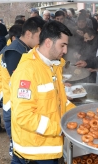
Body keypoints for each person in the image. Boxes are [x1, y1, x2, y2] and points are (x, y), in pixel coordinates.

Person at [10, 21, 75, 163]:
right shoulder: (27, 72)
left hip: (48, 150)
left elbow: (60, 101)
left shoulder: (53, 67)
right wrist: (59, 127)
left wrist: (78, 114)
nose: (65, 51)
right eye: (62, 45)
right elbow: (24, 116)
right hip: (34, 154)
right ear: (48, 43)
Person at [0, 17, 45, 157]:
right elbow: (21, 82)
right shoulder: (14, 52)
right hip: (12, 104)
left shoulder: (23, 48)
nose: (42, 40)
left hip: (17, 102)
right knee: (17, 144)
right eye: (40, 36)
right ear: (29, 34)